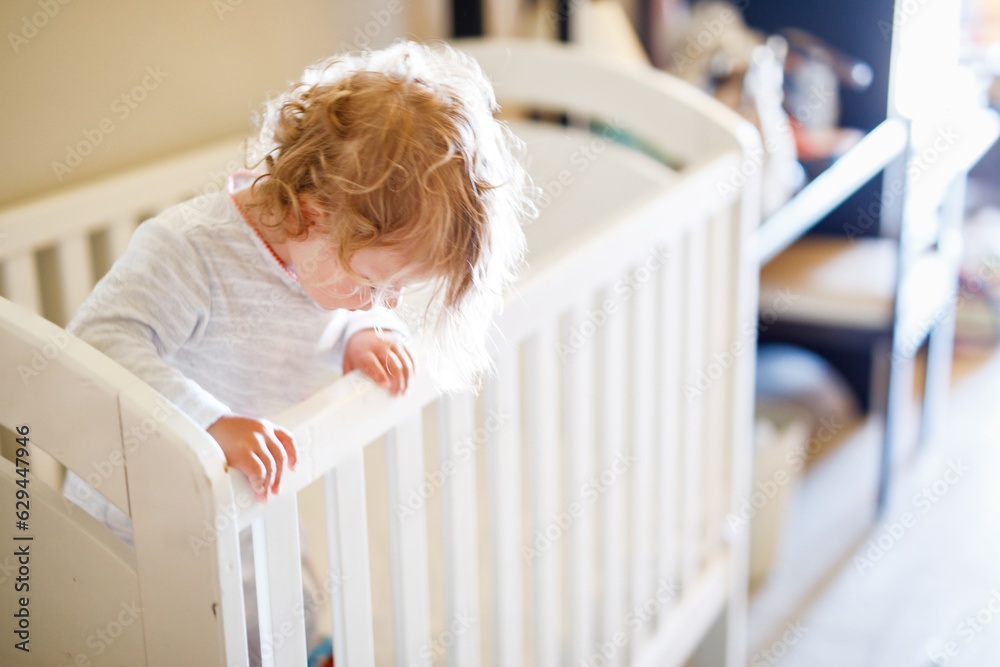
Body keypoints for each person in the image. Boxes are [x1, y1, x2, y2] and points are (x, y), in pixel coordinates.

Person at [61, 39, 534, 663]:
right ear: (311, 215)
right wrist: (211, 423)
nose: (380, 304)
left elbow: (313, 315)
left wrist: (354, 340)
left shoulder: (319, 262)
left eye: (394, 293)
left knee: (286, 609)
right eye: (373, 284)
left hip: (244, 501)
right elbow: (99, 343)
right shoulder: (190, 249)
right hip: (133, 513)